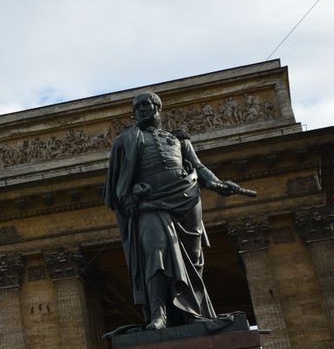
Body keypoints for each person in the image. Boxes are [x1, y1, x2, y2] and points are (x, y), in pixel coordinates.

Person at [104, 92, 252, 330]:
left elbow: (199, 167)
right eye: (137, 107)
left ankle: (191, 311)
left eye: (146, 105)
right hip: (151, 204)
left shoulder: (179, 139)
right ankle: (158, 314)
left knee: (191, 261)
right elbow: (117, 182)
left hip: (187, 199)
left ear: (157, 108)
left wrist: (219, 184)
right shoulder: (126, 140)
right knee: (155, 250)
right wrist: (129, 196)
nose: (141, 110)